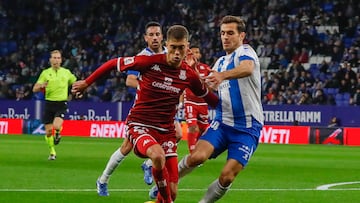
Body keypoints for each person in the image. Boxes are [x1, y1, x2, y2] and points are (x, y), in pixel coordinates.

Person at [71, 24, 218, 203]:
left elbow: (210, 99)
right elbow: (113, 63)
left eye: (181, 48)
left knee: (173, 191)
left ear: (187, 47)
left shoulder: (189, 75)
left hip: (166, 132)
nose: (177, 53)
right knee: (156, 156)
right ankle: (109, 180)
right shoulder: (150, 61)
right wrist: (87, 83)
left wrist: (233, 107)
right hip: (141, 125)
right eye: (173, 47)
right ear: (167, 44)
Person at [177, 15, 264, 202]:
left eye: (230, 33)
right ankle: (165, 182)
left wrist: (223, 76)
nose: (225, 37)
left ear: (242, 36)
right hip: (222, 124)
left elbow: (247, 68)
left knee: (227, 176)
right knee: (196, 157)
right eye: (223, 33)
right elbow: (205, 91)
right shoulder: (220, 63)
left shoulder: (246, 52)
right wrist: (192, 72)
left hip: (247, 129)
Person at [125, 21, 183, 188]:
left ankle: (150, 165)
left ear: (163, 37)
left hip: (165, 109)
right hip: (146, 109)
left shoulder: (169, 53)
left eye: (158, 34)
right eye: (151, 34)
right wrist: (152, 87)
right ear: (145, 38)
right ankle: (103, 179)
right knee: (126, 147)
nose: (155, 37)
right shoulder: (142, 57)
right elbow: (129, 80)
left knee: (178, 134)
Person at [32, 50, 77, 160]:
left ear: (61, 60)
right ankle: (52, 152)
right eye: (54, 58)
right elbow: (34, 89)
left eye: (58, 58)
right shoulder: (45, 73)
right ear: (50, 60)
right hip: (49, 104)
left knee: (56, 126)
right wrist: (41, 85)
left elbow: (75, 82)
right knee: (48, 132)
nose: (56, 60)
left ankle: (58, 133)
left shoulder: (66, 73)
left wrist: (79, 90)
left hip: (61, 103)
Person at [183, 45, 211, 153]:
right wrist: (181, 101)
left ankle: (198, 148)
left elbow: (209, 86)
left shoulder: (205, 68)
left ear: (200, 55)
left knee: (204, 129)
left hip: (203, 103)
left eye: (197, 52)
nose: (195, 54)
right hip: (190, 101)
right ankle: (192, 152)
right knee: (193, 126)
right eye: (193, 52)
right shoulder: (185, 67)